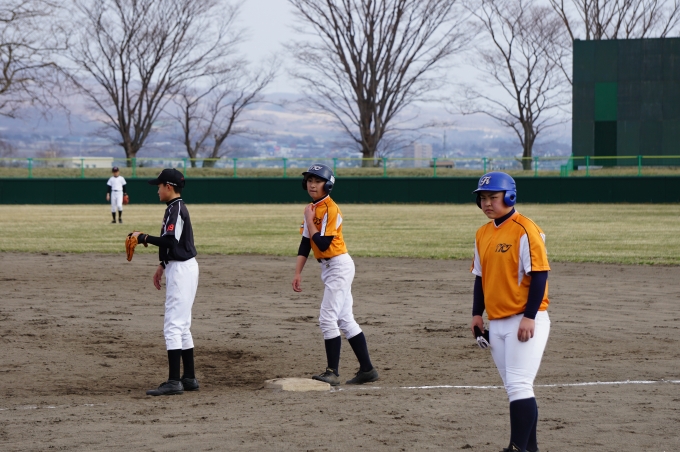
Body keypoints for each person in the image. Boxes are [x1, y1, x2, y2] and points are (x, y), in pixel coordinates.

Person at [469, 172, 551, 452]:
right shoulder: (482, 233)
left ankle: (516, 448)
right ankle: (530, 448)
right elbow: (480, 277)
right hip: (498, 322)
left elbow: (539, 274)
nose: (487, 203)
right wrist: (477, 314)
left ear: (510, 196)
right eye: (483, 198)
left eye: (493, 197)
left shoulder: (525, 229)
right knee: (516, 388)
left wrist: (530, 316)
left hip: (523, 320)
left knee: (519, 385)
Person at [292, 164, 379, 386]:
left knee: (327, 318)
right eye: (310, 180)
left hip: (339, 266)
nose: (312, 184)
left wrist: (309, 219)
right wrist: (298, 272)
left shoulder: (331, 209)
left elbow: (322, 243)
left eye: (318, 181)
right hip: (330, 267)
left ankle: (332, 372)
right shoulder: (311, 209)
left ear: (328, 185)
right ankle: (367, 370)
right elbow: (306, 243)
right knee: (344, 319)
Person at [129, 168, 200, 396]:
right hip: (182, 266)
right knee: (182, 325)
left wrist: (143, 237)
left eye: (159, 186)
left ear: (169, 187)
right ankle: (188, 378)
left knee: (173, 326)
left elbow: (170, 241)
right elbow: (176, 243)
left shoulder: (175, 209)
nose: (157, 190)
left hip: (181, 270)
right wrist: (163, 264)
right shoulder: (175, 207)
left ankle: (173, 381)